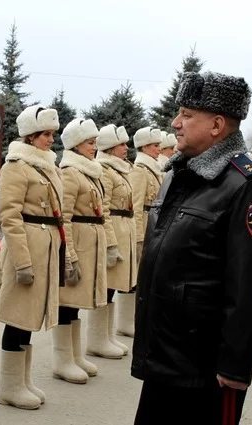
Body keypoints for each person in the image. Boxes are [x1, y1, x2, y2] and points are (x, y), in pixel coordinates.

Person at [131, 71, 252, 425]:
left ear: (216, 125)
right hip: (164, 358)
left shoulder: (248, 187)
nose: (175, 122)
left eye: (186, 114)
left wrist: (235, 365)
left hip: (205, 371)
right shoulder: (177, 175)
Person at [0, 105, 62, 409]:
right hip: (27, 250)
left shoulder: (47, 165)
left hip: (45, 247)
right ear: (31, 136)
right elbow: (10, 216)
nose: (52, 139)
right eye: (47, 134)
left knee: (31, 317)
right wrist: (22, 261)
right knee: (18, 318)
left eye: (53, 134)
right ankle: (10, 386)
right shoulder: (16, 166)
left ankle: (22, 380)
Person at [53, 118, 107, 384]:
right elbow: (64, 217)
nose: (94, 147)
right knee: (67, 302)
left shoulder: (89, 171)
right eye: (89, 142)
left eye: (95, 142)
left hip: (90, 244)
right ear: (75, 145)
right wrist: (69, 255)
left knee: (76, 304)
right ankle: (63, 359)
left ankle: (74, 356)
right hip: (77, 245)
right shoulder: (70, 173)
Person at [96, 124, 136, 357]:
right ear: (110, 147)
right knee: (107, 287)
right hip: (115, 232)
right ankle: (98, 339)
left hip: (125, 231)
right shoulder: (105, 171)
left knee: (114, 286)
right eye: (121, 144)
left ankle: (107, 335)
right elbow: (105, 210)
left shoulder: (122, 169)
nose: (125, 148)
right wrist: (111, 244)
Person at [124, 126, 162, 338]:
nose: (159, 149)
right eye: (155, 146)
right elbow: (137, 205)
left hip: (152, 223)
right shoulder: (140, 170)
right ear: (145, 147)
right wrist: (138, 237)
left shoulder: (151, 169)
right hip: (144, 225)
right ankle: (128, 321)